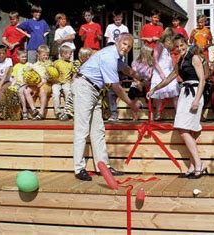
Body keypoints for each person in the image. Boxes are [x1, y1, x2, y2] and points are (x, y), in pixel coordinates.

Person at [72, 33, 141, 181]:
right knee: (82, 129)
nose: (126, 48)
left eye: (129, 47)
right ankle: (79, 168)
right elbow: (115, 86)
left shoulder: (116, 56)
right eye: (124, 44)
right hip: (85, 87)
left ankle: (103, 167)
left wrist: (143, 78)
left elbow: (126, 69)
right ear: (117, 41)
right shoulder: (109, 57)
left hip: (95, 90)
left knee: (98, 130)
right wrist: (131, 104)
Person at [147, 35, 207, 179]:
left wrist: (197, 100)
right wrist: (154, 89)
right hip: (184, 94)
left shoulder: (195, 57)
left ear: (187, 44)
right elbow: (169, 78)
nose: (180, 48)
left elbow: (202, 80)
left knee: (183, 129)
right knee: (186, 130)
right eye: (177, 46)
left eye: (182, 45)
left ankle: (199, 164)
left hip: (194, 93)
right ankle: (193, 165)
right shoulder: (180, 60)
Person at [150, 27, 179, 121]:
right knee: (159, 94)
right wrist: (161, 73)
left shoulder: (167, 48)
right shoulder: (160, 45)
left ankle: (178, 113)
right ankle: (157, 114)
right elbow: (154, 60)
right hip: (161, 72)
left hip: (168, 72)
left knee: (175, 93)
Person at [25, 45, 52, 120]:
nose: (46, 57)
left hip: (46, 84)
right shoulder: (35, 65)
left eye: (47, 55)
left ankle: (41, 112)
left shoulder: (49, 64)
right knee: (26, 90)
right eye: (44, 55)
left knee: (42, 90)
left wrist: (41, 83)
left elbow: (49, 77)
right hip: (37, 84)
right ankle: (34, 109)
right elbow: (31, 76)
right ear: (38, 55)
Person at [52, 45, 76, 121]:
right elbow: (51, 71)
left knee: (68, 92)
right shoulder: (56, 62)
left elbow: (74, 72)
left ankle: (67, 111)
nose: (71, 55)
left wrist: (73, 80)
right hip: (57, 82)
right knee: (55, 93)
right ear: (63, 54)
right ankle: (58, 111)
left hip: (66, 82)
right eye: (69, 54)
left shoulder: (71, 63)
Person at [129, 46, 153, 121]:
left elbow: (149, 76)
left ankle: (151, 114)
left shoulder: (151, 63)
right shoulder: (135, 62)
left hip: (146, 83)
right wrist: (138, 82)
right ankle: (135, 114)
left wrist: (142, 83)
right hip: (136, 82)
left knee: (149, 96)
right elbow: (133, 74)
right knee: (131, 93)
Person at [10, 50, 33, 120]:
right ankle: (17, 112)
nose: (24, 58)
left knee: (21, 91)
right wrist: (11, 85)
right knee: (13, 91)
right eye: (22, 57)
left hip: (27, 84)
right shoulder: (16, 66)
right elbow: (14, 78)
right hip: (19, 83)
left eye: (25, 57)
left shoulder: (29, 64)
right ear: (18, 57)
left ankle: (24, 110)